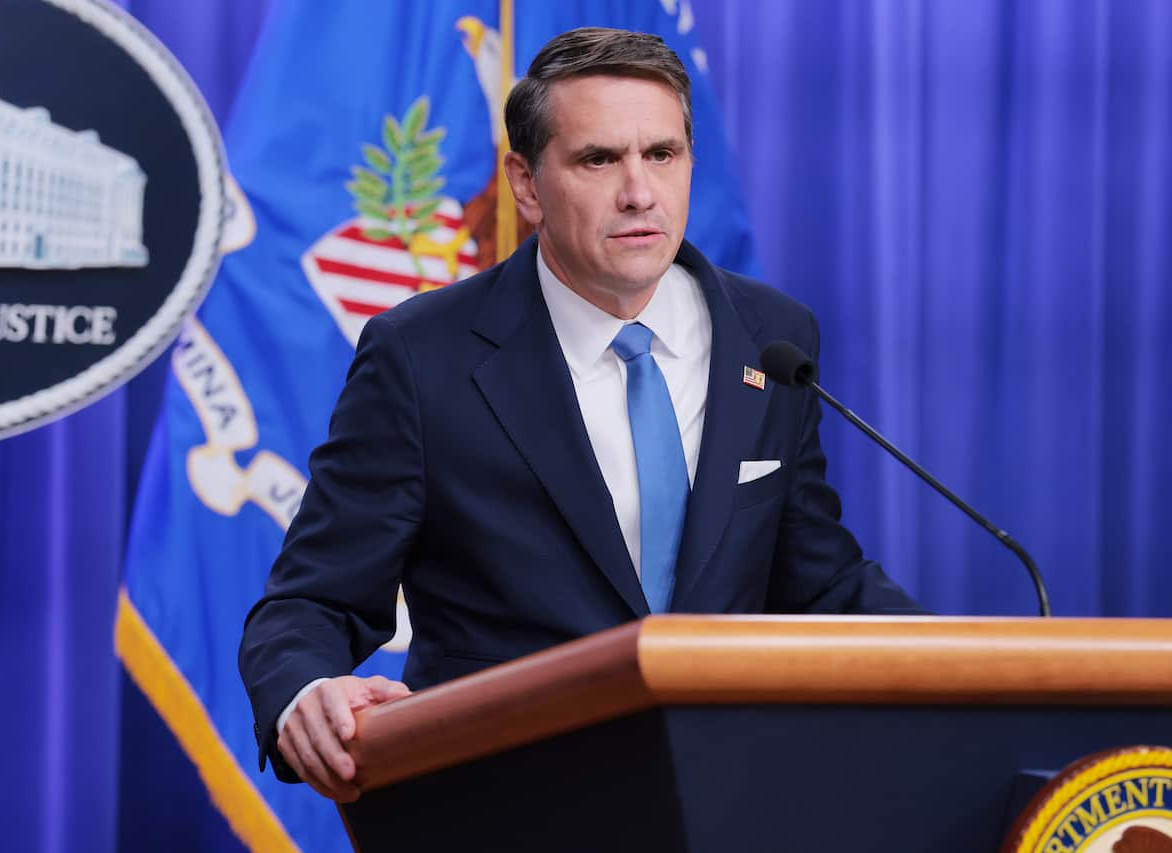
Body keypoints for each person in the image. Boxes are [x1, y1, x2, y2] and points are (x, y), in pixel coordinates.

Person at [239, 26, 923, 803]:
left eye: (661, 155)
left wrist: (973, 668)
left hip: (723, 804)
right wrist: (305, 691)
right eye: (600, 159)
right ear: (526, 185)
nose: (639, 191)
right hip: (506, 807)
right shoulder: (422, 357)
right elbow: (310, 601)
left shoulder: (772, 338)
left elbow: (817, 583)